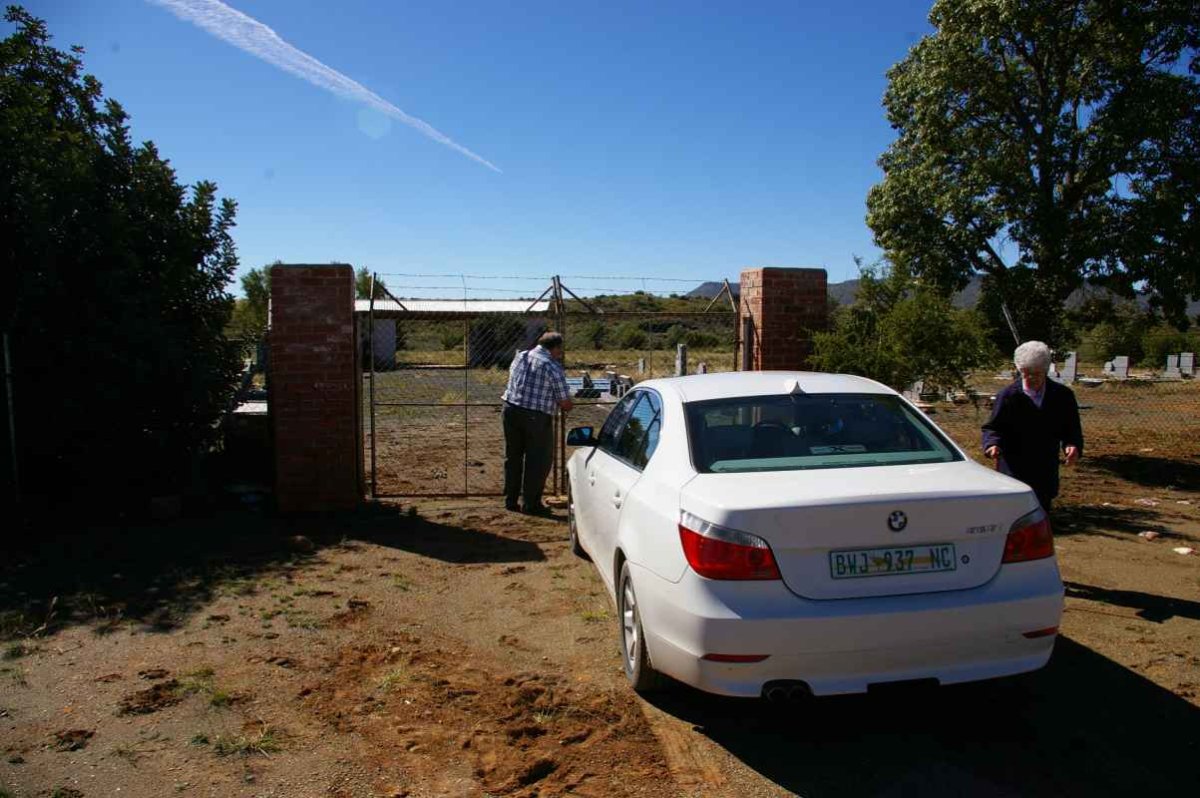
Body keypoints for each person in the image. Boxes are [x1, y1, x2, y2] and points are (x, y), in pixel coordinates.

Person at [982, 341, 1083, 513]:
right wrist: (992, 444)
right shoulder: (1008, 396)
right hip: (1013, 468)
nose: (1031, 379)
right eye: (1026, 374)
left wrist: (1072, 445)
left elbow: (1071, 428)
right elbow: (993, 427)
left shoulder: (1062, 396)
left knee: (1039, 515)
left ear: (1045, 371)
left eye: (1036, 374)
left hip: (1044, 467)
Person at [501, 331, 573, 515]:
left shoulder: (521, 356)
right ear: (555, 347)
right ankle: (531, 504)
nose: (560, 353)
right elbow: (565, 402)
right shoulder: (551, 366)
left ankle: (510, 499)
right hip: (535, 416)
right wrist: (566, 404)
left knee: (513, 456)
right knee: (538, 460)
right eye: (559, 350)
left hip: (510, 409)